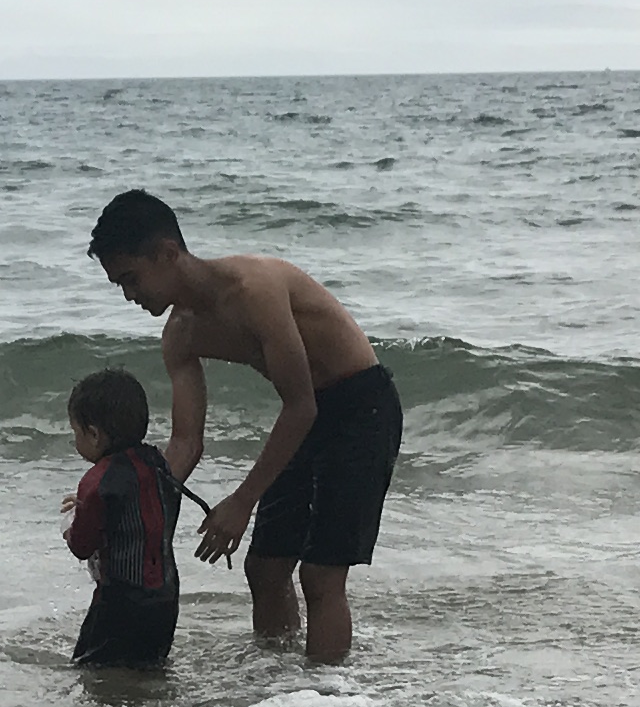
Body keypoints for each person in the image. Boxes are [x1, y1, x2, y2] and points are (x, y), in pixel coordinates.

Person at [87, 188, 402, 664]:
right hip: (306, 415)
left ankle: (328, 694)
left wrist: (241, 502)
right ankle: (282, 686)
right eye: (119, 286)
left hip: (362, 406)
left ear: (168, 253)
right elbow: (186, 442)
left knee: (320, 575)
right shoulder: (180, 336)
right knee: (265, 568)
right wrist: (130, 501)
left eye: (131, 279)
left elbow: (301, 405)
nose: (130, 296)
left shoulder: (255, 289)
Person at [62, 365, 183, 670]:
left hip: (119, 602)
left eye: (76, 432)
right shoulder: (158, 464)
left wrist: (74, 519)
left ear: (93, 434)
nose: (75, 440)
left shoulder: (96, 481)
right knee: (149, 667)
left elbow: (81, 545)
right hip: (165, 598)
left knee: (91, 669)